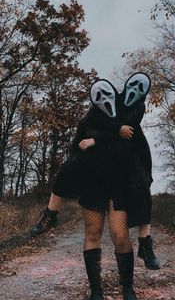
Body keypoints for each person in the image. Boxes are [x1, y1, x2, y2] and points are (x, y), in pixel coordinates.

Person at [30, 74, 160, 271]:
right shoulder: (92, 117)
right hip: (94, 177)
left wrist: (102, 139)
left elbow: (129, 137)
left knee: (134, 208)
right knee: (69, 170)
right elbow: (81, 140)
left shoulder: (134, 111)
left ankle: (145, 244)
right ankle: (50, 214)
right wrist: (94, 145)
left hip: (121, 176)